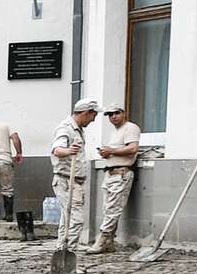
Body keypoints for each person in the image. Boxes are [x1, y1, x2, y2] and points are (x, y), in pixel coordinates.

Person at [50, 98, 98, 251]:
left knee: (67, 218)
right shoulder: (65, 128)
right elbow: (57, 150)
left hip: (74, 181)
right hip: (65, 181)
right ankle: (69, 253)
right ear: (85, 113)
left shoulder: (77, 129)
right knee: (76, 219)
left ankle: (61, 251)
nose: (94, 119)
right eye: (93, 115)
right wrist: (69, 151)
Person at [92, 104, 141, 253]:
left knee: (113, 209)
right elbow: (118, 150)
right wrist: (106, 153)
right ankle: (109, 241)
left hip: (122, 172)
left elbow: (133, 148)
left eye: (116, 113)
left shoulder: (130, 128)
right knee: (107, 209)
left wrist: (111, 151)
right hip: (110, 172)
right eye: (109, 114)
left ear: (123, 113)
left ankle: (101, 240)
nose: (113, 116)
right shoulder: (116, 131)